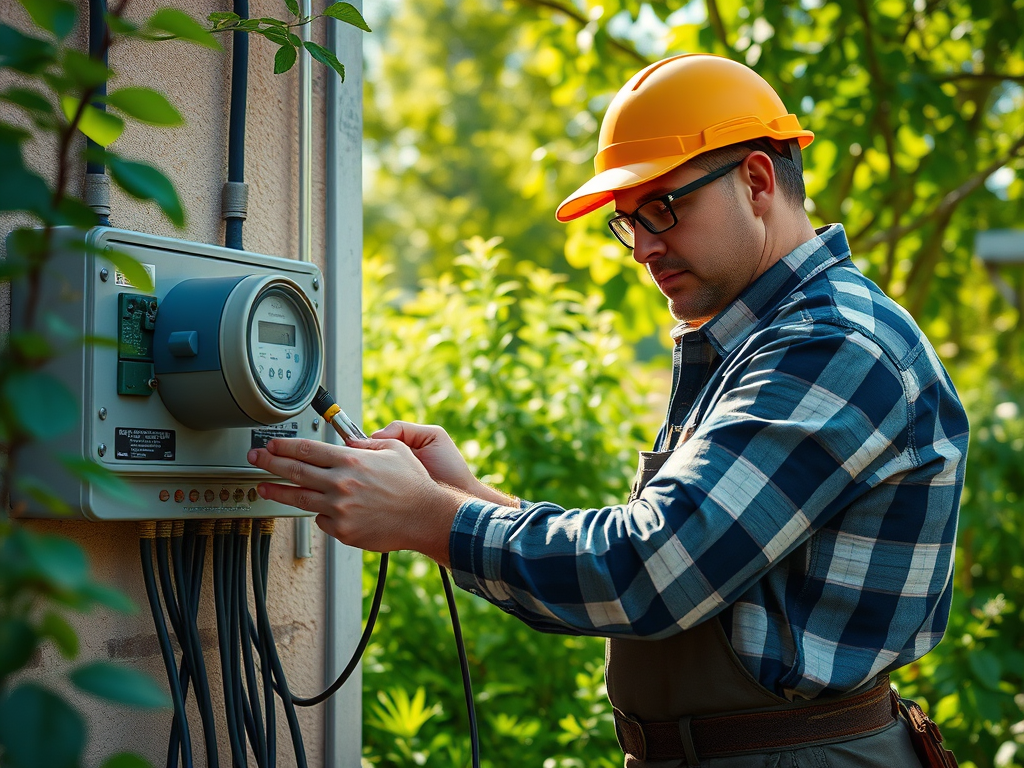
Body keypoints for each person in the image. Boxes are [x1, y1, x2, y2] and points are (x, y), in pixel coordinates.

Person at [248, 54, 968, 766]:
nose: (645, 248)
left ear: (755, 181)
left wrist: (432, 517)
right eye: (629, 221)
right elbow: (659, 563)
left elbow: (651, 572)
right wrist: (459, 495)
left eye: (664, 207)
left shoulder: (833, 347)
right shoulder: (759, 344)